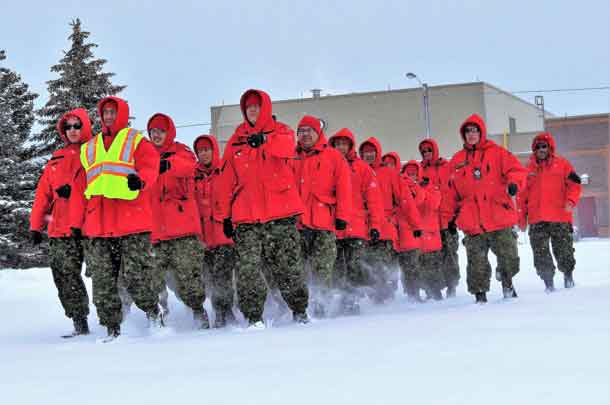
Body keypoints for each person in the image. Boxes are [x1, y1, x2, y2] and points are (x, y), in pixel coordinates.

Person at [215, 89, 309, 327]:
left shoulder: (281, 132)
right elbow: (226, 179)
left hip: (281, 214)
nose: (252, 110)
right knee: (247, 269)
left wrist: (265, 140)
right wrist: (225, 215)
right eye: (248, 107)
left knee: (287, 266)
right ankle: (253, 316)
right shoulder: (237, 139)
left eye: (257, 106)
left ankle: (299, 310)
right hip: (247, 217)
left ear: (265, 108)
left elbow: (288, 148)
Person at [71, 96, 162, 340]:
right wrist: (76, 223)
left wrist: (140, 180)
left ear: (121, 114)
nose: (108, 116)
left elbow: (150, 166)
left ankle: (154, 312)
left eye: (113, 112)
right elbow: (81, 188)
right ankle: (112, 327)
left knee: (136, 276)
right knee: (102, 279)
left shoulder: (136, 141)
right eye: (105, 113)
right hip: (98, 225)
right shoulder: (89, 148)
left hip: (131, 222)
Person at [447, 114, 526, 303]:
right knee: (476, 265)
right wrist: (449, 217)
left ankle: (507, 283)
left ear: (481, 132)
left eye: (474, 130)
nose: (471, 134)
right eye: (467, 131)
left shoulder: (498, 153)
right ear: (463, 135)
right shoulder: (457, 160)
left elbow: (517, 171)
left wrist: (514, 183)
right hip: (472, 222)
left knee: (509, 258)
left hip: (499, 217)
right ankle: (480, 297)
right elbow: (449, 193)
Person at [30, 108, 91, 337]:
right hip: (60, 227)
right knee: (64, 275)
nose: (73, 130)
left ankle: (121, 323)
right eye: (68, 127)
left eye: (77, 125)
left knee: (109, 275)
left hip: (91, 226)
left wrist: (75, 190)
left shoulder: (95, 153)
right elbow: (42, 195)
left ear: (84, 126)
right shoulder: (56, 158)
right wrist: (36, 226)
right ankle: (80, 322)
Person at [147, 113, 208, 328]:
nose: (156, 135)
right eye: (153, 131)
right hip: (154, 233)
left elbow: (189, 167)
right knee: (151, 279)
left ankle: (199, 314)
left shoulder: (182, 152)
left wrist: (166, 164)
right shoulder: (144, 155)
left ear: (169, 132)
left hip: (183, 231)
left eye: (161, 131)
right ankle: (158, 318)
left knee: (189, 279)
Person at [293, 115, 352, 317]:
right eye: (301, 131)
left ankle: (320, 307)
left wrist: (342, 215)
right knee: (296, 269)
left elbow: (344, 188)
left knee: (322, 269)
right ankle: (299, 308)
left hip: (324, 223)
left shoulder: (333, 156)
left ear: (318, 133)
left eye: (309, 130)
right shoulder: (291, 156)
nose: (305, 135)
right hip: (297, 225)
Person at [359, 138, 421, 303]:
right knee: (366, 268)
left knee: (382, 267)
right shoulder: (358, 171)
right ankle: (373, 300)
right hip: (361, 228)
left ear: (378, 153)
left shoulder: (389, 173)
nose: (369, 155)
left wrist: (415, 223)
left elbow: (405, 199)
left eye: (372, 152)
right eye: (365, 152)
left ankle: (385, 302)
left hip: (384, 229)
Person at [329, 128, 383, 314]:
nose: (341, 147)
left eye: (344, 144)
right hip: (333, 226)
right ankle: (336, 299)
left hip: (356, 227)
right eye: (337, 144)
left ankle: (352, 301)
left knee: (354, 265)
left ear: (350, 146)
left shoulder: (362, 168)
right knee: (335, 267)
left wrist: (375, 225)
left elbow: (374, 200)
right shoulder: (327, 164)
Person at [518, 132, 581, 292]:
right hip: (537, 219)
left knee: (564, 251)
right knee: (540, 254)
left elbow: (574, 185)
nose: (541, 149)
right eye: (538, 147)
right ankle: (548, 284)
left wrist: (571, 201)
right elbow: (522, 196)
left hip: (559, 217)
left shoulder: (563, 165)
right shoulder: (527, 169)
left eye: (544, 146)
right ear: (534, 149)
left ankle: (568, 278)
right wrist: (522, 219)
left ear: (550, 147)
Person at [193, 134, 238, 327]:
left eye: (206, 149)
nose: (203, 154)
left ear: (214, 150)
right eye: (200, 151)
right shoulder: (192, 174)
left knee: (223, 278)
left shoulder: (226, 169)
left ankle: (225, 314)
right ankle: (218, 310)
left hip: (223, 236)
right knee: (208, 280)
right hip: (202, 239)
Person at [419, 138, 460, 297]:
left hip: (448, 219)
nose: (427, 154)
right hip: (429, 222)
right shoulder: (420, 170)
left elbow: (456, 191)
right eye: (423, 152)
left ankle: (451, 285)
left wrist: (455, 216)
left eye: (429, 150)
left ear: (434, 150)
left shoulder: (447, 167)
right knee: (430, 257)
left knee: (450, 254)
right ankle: (432, 287)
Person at [402, 160, 444, 301]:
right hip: (411, 237)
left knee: (432, 269)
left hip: (430, 236)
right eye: (409, 174)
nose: (412, 176)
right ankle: (413, 296)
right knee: (411, 270)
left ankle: (435, 294)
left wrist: (418, 190)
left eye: (414, 174)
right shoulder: (402, 188)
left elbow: (432, 205)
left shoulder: (430, 187)